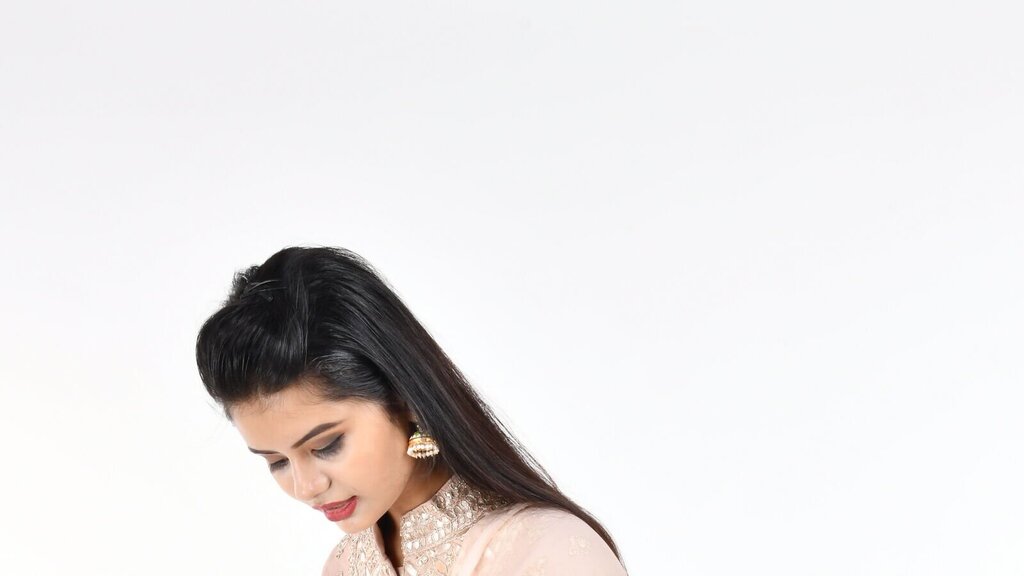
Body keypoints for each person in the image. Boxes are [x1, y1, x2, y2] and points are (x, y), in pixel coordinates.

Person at [195, 246, 627, 576]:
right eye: (276, 462)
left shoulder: (545, 551)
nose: (307, 487)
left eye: (326, 445)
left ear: (405, 399)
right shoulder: (343, 567)